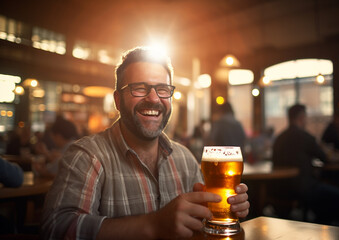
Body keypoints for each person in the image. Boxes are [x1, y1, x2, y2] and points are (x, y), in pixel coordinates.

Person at [41, 47, 250, 239]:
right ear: (118, 100)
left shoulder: (185, 159)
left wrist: (220, 211)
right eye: (139, 88)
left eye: (163, 89)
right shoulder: (87, 155)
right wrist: (154, 225)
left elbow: (200, 227)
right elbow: (56, 229)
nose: (154, 98)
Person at [272, 104, 339, 224]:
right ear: (301, 117)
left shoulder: (279, 138)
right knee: (337, 195)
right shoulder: (305, 137)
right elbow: (325, 158)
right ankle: (322, 226)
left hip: (279, 188)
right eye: (306, 117)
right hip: (303, 187)